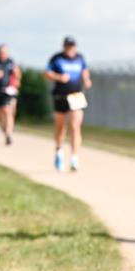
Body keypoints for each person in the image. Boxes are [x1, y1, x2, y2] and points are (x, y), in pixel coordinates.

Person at [44, 36, 91, 172]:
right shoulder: (57, 58)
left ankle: (74, 158)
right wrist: (59, 77)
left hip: (76, 95)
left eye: (73, 46)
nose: (71, 48)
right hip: (60, 96)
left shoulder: (80, 58)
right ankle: (59, 152)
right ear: (64, 46)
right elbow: (47, 73)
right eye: (68, 46)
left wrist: (86, 79)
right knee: (61, 128)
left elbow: (85, 70)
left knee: (75, 126)